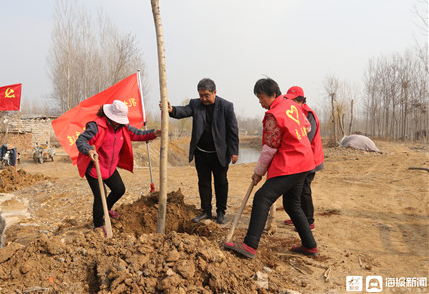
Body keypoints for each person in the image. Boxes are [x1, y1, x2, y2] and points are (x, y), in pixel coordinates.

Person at [224, 78, 319, 258]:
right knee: (292, 204)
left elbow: (269, 148)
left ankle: (249, 245)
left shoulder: (273, 115)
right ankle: (310, 245)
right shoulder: (291, 106)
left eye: (261, 98)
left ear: (273, 94)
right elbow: (306, 127)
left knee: (262, 198)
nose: (260, 102)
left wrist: (258, 172)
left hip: (292, 163)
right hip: (305, 161)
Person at [162, 78, 239, 224]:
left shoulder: (226, 106)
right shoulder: (195, 104)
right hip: (201, 152)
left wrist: (234, 151)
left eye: (207, 95)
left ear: (215, 92)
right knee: (203, 182)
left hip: (219, 153)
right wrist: (171, 110)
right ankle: (206, 212)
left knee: (221, 182)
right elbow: (184, 111)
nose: (203, 98)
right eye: (201, 95)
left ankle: (221, 212)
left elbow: (233, 130)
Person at [76, 100, 161, 232]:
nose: (121, 122)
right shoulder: (96, 126)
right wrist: (89, 150)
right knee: (100, 196)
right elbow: (81, 140)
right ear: (109, 116)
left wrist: (154, 133)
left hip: (109, 168)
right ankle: (98, 225)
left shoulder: (123, 127)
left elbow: (138, 134)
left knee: (119, 189)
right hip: (94, 167)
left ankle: (107, 209)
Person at [283, 86, 324, 231]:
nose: (290, 103)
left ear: (300, 101)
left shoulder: (308, 114)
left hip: (311, 158)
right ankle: (298, 217)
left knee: (304, 188)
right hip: (300, 158)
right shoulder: (293, 112)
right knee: (296, 188)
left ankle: (309, 221)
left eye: (292, 100)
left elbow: (306, 138)